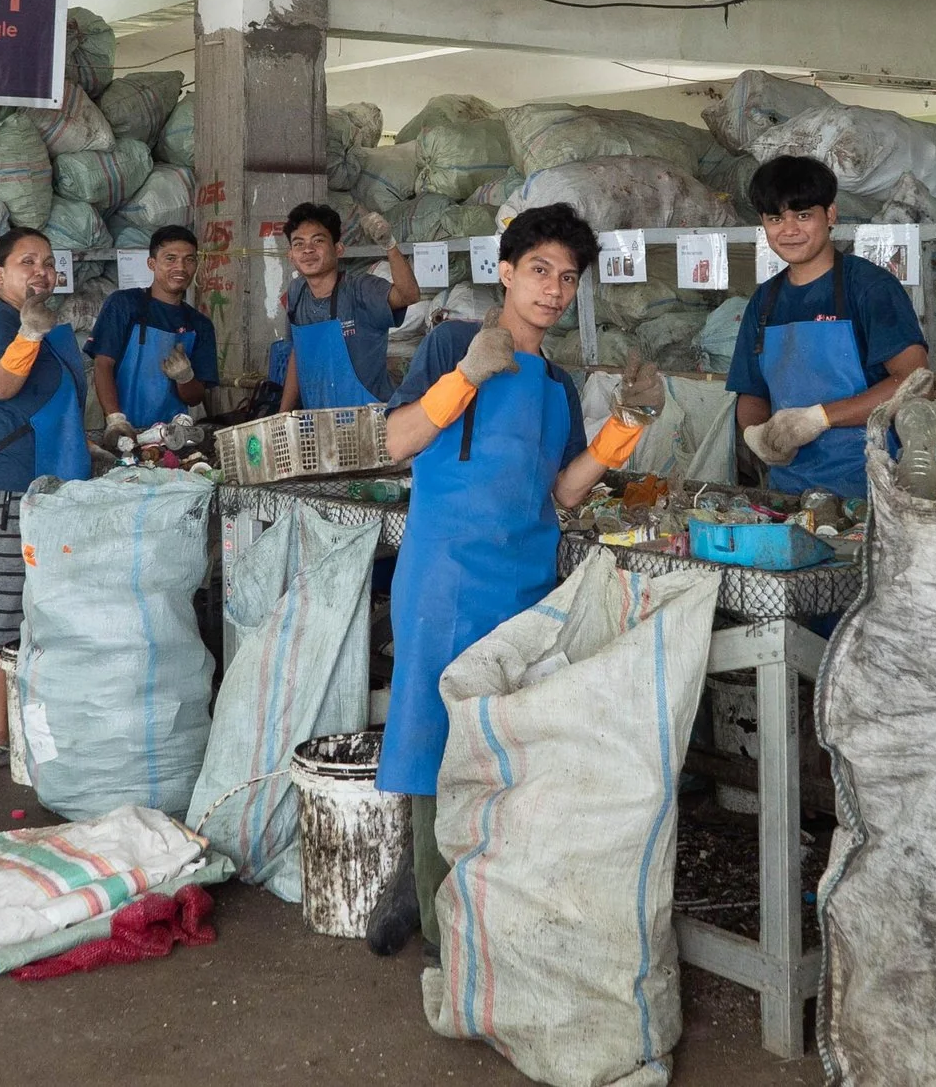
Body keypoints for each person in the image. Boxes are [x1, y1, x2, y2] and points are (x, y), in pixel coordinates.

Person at [365, 202, 664, 956]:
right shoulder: (449, 345)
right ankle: (435, 921)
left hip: (525, 584)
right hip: (444, 577)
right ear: (505, 272)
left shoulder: (558, 384)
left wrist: (625, 428)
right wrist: (465, 376)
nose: (554, 289)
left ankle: (489, 912)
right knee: (433, 738)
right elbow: (396, 441)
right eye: (539, 271)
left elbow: (563, 492)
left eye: (568, 278)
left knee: (507, 748)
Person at [0, 227, 95, 767]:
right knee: (7, 609)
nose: (42, 271)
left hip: (25, 473)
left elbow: (45, 400)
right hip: (8, 482)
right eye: (27, 262)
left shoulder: (38, 322)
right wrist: (29, 335)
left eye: (49, 263)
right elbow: (0, 386)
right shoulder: (1, 320)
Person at [728, 155, 930, 499]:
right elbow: (752, 393)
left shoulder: (869, 287)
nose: (789, 230)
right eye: (776, 219)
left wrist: (819, 418)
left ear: (831, 215)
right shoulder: (764, 301)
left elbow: (916, 382)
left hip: (871, 488)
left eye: (803, 215)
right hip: (789, 492)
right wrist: (755, 434)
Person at [278, 201, 418, 410]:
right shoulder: (296, 293)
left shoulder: (360, 290)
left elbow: (409, 295)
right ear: (290, 255)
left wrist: (389, 245)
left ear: (338, 249)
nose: (308, 250)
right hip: (319, 419)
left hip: (370, 416)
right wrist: (283, 415)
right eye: (298, 244)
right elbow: (298, 353)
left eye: (318, 241)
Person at [87, 224, 218, 438]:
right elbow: (103, 364)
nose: (180, 267)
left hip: (173, 436)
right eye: (170, 259)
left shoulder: (200, 325)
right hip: (122, 433)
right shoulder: (124, 304)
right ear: (152, 263)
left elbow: (195, 398)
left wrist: (185, 378)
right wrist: (115, 419)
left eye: (189, 259)